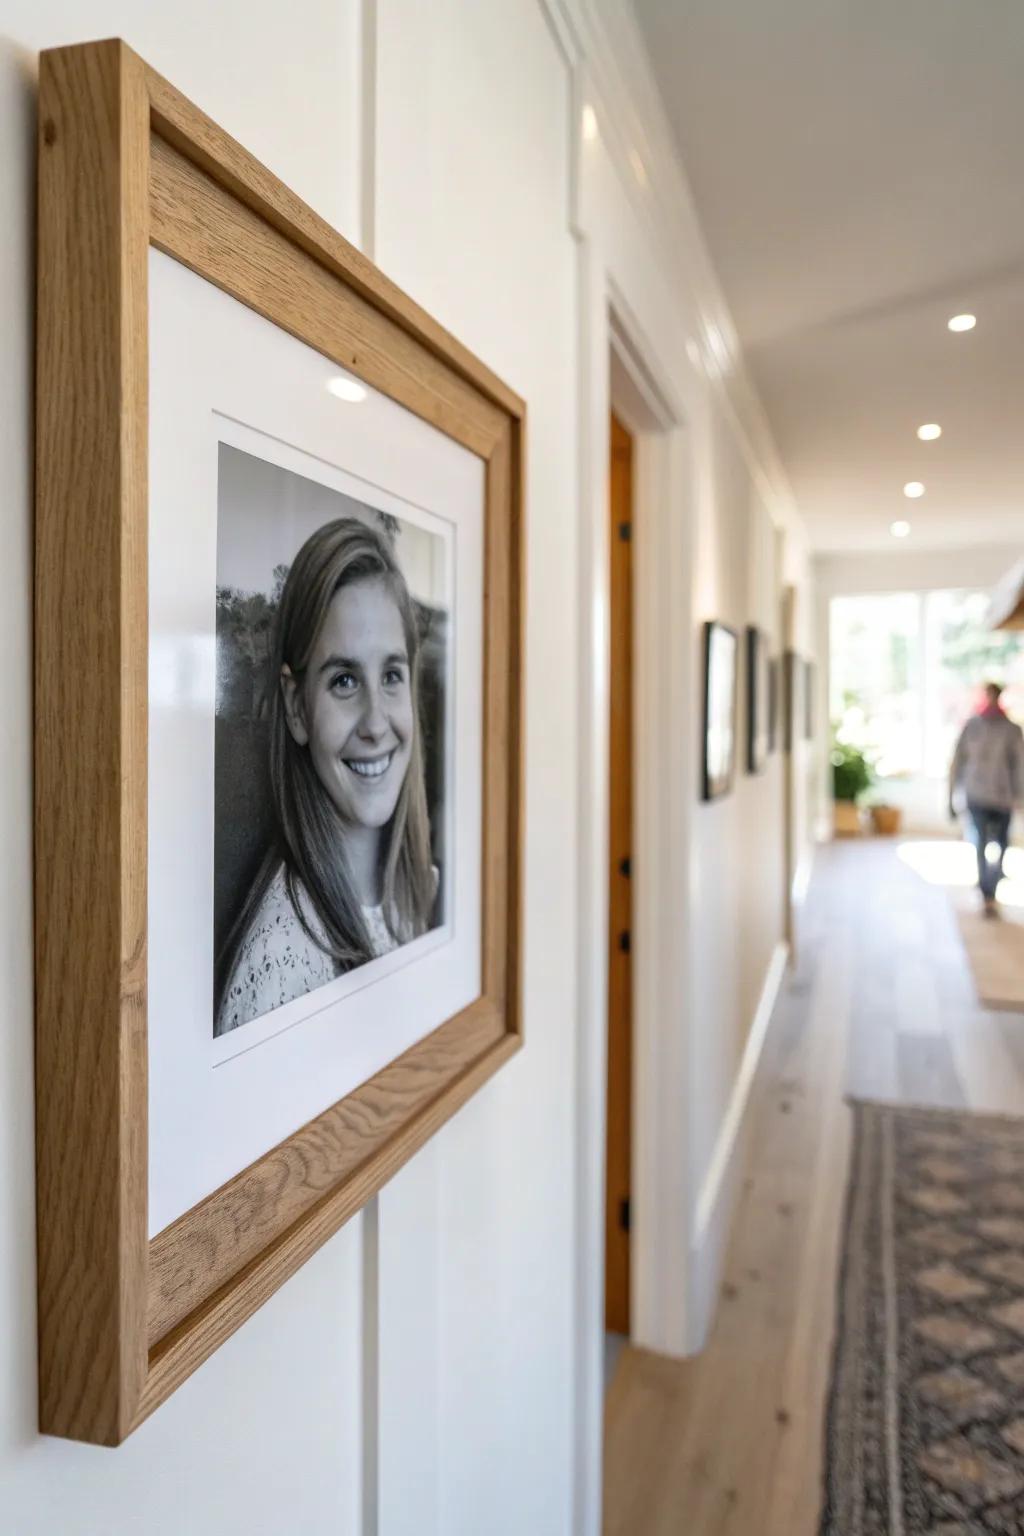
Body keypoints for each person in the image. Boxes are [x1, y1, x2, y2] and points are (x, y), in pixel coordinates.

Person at [216, 517, 437, 1034]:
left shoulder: (419, 895)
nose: (377, 722)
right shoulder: (281, 968)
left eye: (390, 675)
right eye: (343, 680)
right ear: (297, 708)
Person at [949, 682, 1024, 917]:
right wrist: (951, 794)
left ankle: (993, 880)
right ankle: (987, 892)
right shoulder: (972, 726)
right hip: (976, 794)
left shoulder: (1012, 730)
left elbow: (1020, 765)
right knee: (981, 841)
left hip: (1003, 797)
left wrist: (1020, 795)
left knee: (1002, 843)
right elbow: (957, 761)